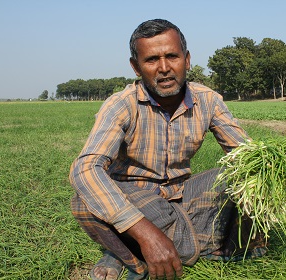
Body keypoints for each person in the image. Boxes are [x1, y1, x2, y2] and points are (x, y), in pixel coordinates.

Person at [69, 19, 267, 280]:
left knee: (249, 175)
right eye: (151, 60)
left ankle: (135, 250)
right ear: (136, 67)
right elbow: (85, 169)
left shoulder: (207, 100)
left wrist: (279, 165)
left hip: (184, 197)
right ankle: (163, 248)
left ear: (186, 60)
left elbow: (248, 156)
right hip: (137, 200)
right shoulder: (121, 105)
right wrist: (143, 231)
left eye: (172, 56)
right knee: (85, 200)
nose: (164, 68)